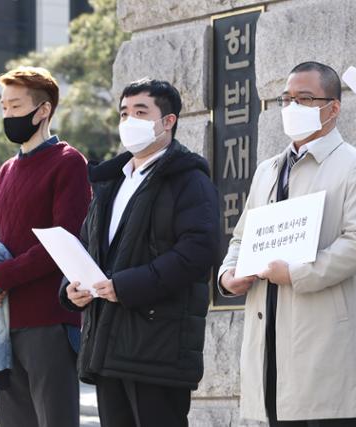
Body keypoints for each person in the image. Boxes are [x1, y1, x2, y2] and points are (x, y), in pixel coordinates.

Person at [218, 61, 356, 426]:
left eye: (305, 99)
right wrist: (228, 273)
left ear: (334, 108)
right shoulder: (268, 170)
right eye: (287, 99)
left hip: (321, 338)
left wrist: (296, 272)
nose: (293, 108)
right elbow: (242, 237)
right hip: (269, 337)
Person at [59, 78, 220, 427]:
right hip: (108, 345)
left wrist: (127, 286)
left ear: (168, 121)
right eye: (123, 113)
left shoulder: (187, 179)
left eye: (140, 111)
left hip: (157, 345)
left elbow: (198, 251)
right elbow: (89, 247)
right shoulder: (110, 181)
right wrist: (71, 289)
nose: (129, 121)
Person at [0, 66, 91, 427]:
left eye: (15, 106)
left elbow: (63, 240)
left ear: (43, 110)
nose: (7, 115)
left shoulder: (69, 163)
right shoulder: (7, 170)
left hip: (51, 323)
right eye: (4, 107)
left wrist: (0, 278)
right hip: (5, 323)